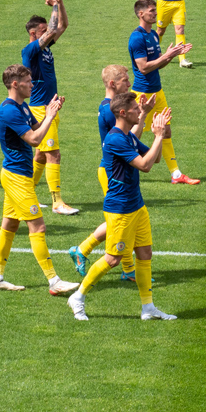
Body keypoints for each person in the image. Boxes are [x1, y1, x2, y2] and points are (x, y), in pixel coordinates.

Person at [67, 94, 177, 321]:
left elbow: (154, 159)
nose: (140, 112)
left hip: (136, 205)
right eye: (136, 109)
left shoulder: (127, 136)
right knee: (112, 259)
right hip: (120, 209)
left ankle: (148, 308)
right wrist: (157, 135)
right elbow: (145, 166)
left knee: (145, 253)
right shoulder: (116, 139)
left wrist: (160, 133)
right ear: (123, 113)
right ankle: (78, 296)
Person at [0, 65, 80, 295]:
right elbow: (35, 139)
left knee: (9, 224)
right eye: (29, 81)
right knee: (37, 226)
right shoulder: (9, 111)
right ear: (15, 84)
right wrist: (48, 116)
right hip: (16, 177)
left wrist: (52, 112)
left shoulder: (21, 107)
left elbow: (38, 127)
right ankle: (54, 281)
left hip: (18, 175)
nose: (33, 84)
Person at [68, 65, 156, 283]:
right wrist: (144, 118)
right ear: (112, 83)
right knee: (121, 218)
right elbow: (126, 139)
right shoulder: (110, 110)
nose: (129, 83)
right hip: (112, 171)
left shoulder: (109, 106)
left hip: (112, 167)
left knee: (122, 219)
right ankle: (87, 251)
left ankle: (125, 267)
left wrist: (142, 115)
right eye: (125, 80)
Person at [128, 0, 200, 184]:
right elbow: (143, 68)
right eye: (151, 11)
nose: (155, 14)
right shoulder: (137, 37)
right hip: (141, 94)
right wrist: (167, 56)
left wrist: (172, 54)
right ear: (141, 14)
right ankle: (124, 167)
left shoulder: (152, 35)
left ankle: (176, 174)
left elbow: (157, 64)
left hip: (157, 92)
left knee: (166, 130)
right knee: (135, 132)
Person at [22, 0, 79, 215]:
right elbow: (55, 27)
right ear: (35, 33)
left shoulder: (44, 48)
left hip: (49, 106)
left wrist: (60, 1)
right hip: (40, 109)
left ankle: (30, 193)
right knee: (53, 153)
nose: (49, 32)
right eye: (44, 30)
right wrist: (53, 4)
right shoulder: (31, 50)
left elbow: (62, 26)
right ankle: (57, 202)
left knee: (40, 155)